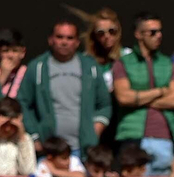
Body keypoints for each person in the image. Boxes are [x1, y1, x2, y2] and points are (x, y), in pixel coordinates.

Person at [19, 19, 110, 157]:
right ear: (51, 40)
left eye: (70, 38)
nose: (64, 42)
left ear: (77, 42)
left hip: (83, 149)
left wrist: (95, 129)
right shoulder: (37, 67)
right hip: (48, 149)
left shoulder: (90, 67)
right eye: (59, 37)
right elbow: (22, 103)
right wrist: (34, 136)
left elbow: (105, 104)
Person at [112, 12, 174, 172]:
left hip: (166, 137)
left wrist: (138, 98)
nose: (158, 36)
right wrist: (160, 91)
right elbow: (123, 97)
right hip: (132, 135)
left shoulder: (168, 63)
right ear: (138, 34)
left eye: (160, 31)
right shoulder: (123, 63)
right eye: (152, 32)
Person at [82, 8, 128, 94]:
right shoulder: (85, 60)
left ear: (118, 31)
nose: (107, 36)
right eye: (101, 33)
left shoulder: (128, 56)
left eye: (111, 31)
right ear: (94, 36)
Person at [0, 27, 27, 100]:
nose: (10, 55)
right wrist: (3, 75)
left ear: (23, 52)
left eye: (15, 51)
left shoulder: (28, 73)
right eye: (5, 51)